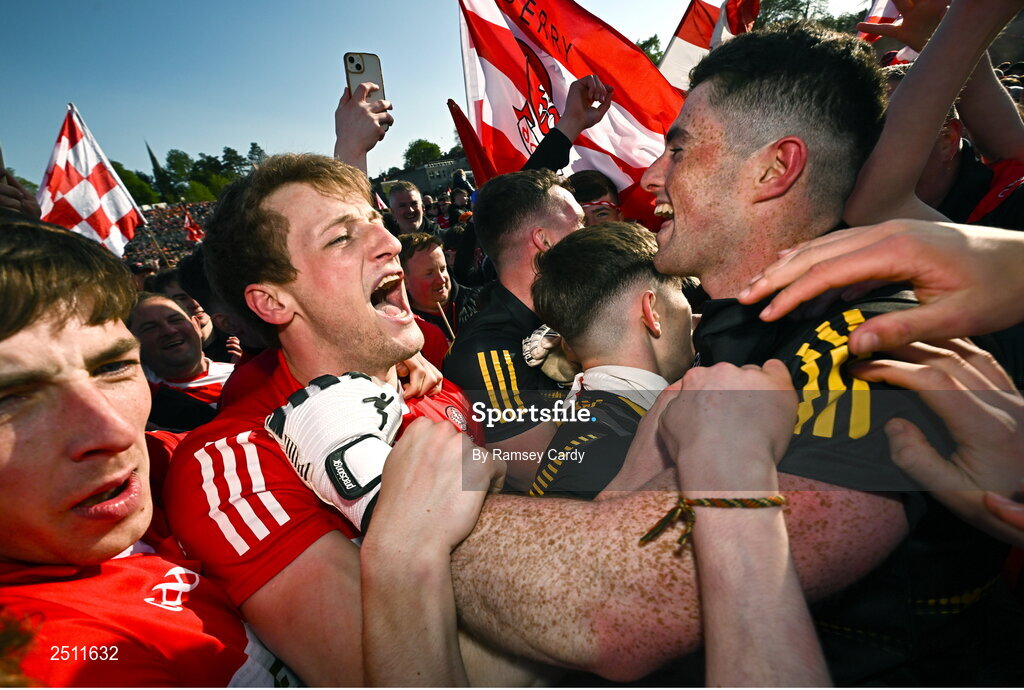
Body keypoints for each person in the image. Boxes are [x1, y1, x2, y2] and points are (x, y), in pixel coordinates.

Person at [631, 17, 1023, 684]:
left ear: (777, 168)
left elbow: (617, 606)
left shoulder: (878, 338)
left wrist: (406, 541)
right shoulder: (733, 326)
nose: (646, 176)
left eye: (677, 149)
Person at [161, 153, 504, 685]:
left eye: (377, 223)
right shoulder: (233, 458)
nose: (391, 242)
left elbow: (516, 475)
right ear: (271, 302)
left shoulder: (426, 376)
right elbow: (388, 673)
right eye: (341, 238)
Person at [0, 215, 298, 687]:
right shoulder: (48, 662)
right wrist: (408, 556)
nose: (115, 432)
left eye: (113, 366)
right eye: (9, 399)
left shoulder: (162, 462)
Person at [527, 221, 692, 498]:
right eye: (680, 291)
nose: (693, 316)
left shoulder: (592, 424)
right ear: (651, 311)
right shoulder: (615, 448)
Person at [443, 169, 583, 488]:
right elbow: (562, 479)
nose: (595, 240)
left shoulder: (566, 315)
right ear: (544, 242)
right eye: (580, 229)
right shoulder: (488, 350)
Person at [127, 292, 235, 427]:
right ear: (132, 340)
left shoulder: (243, 379)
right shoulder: (129, 396)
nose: (169, 331)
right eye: (151, 328)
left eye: (176, 320)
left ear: (196, 325)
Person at [398, 232, 481, 341]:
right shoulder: (401, 326)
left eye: (442, 269)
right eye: (429, 273)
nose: (441, 279)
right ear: (405, 281)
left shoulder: (481, 302)